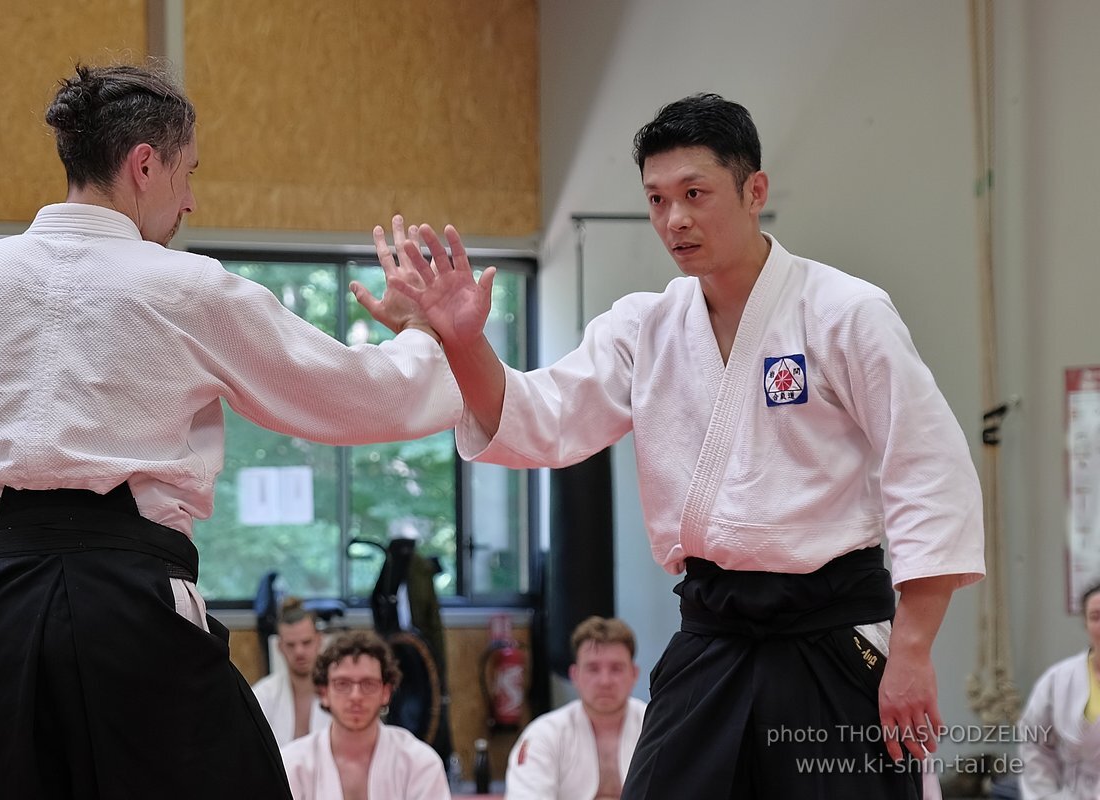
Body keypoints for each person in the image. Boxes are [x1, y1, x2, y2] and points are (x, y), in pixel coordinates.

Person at [388, 92, 986, 798]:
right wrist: (462, 340)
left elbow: (929, 473)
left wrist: (912, 649)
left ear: (754, 189)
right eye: (656, 200)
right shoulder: (644, 328)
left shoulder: (845, 313)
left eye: (695, 193)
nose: (675, 219)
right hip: (714, 633)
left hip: (833, 634)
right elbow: (538, 418)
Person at [0, 62, 460, 800]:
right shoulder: (182, 286)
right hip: (128, 604)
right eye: (187, 173)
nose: (190, 198)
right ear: (143, 164)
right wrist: (425, 337)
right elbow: (351, 394)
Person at [280, 629, 451, 800]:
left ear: (386, 692)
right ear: (324, 693)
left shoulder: (419, 763)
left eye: (368, 684)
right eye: (342, 684)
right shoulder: (292, 765)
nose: (356, 696)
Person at [504, 616, 646, 800]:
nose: (605, 681)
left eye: (616, 668)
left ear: (634, 674)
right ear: (574, 675)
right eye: (593, 669)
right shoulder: (545, 734)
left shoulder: (660, 728)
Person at [1018, 582, 1100, 799]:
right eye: (1095, 617)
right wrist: (1046, 795)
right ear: (1084, 623)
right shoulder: (1059, 679)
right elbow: (1033, 745)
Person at [253, 597, 333, 747]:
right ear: (280, 647)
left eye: (306, 642)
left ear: (319, 640)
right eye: (291, 645)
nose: (299, 652)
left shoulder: (341, 693)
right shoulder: (263, 695)